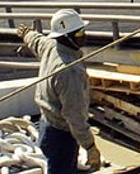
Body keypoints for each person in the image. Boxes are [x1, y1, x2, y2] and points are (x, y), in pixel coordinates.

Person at [18, 9, 100, 174]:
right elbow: (74, 116)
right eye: (79, 33)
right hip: (62, 136)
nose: (84, 36)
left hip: (47, 126)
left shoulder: (52, 47)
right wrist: (90, 147)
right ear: (66, 37)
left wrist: (27, 33)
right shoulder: (70, 72)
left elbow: (37, 41)